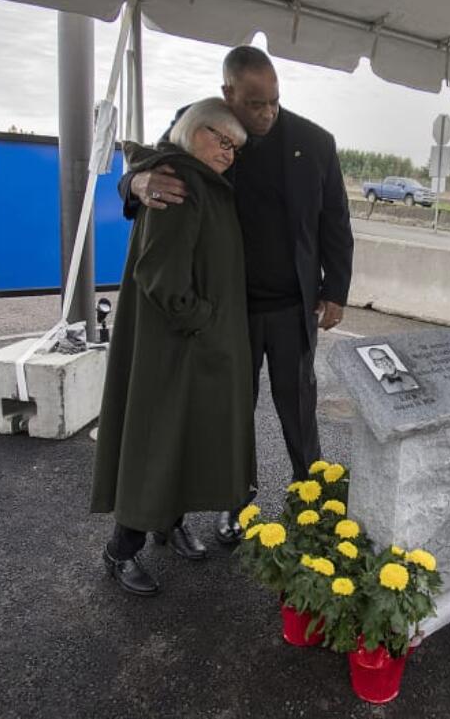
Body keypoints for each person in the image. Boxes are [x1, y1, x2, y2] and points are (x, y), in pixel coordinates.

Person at [117, 46, 353, 545]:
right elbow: (155, 164)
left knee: (298, 408)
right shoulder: (202, 125)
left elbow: (336, 222)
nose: (265, 113)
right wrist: (134, 182)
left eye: (273, 102)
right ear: (228, 94)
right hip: (228, 311)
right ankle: (233, 506)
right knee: (226, 416)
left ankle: (309, 503)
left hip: (292, 306)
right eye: (253, 103)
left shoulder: (314, 141)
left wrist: (336, 292)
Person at [91, 98, 255, 596]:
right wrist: (202, 318)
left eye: (235, 147)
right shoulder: (176, 183)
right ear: (192, 130)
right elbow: (160, 274)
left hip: (193, 344)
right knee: (157, 445)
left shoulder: (201, 179)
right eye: (220, 140)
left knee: (182, 441)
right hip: (174, 346)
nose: (228, 153)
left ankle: (170, 525)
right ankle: (121, 551)